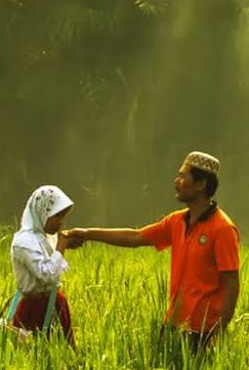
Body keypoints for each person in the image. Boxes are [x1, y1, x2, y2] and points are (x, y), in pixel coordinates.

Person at [64, 151, 240, 352]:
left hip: (204, 332)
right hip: (173, 325)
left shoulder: (223, 229)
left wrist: (218, 334)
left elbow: (232, 285)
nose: (176, 181)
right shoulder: (177, 221)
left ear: (201, 184)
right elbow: (136, 237)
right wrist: (86, 233)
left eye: (183, 176)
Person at [11, 185, 80, 347]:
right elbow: (46, 274)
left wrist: (67, 244)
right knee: (34, 355)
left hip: (55, 304)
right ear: (43, 213)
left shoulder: (43, 237)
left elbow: (52, 255)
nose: (61, 222)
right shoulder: (24, 242)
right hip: (34, 309)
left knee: (64, 356)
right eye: (57, 216)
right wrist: (62, 245)